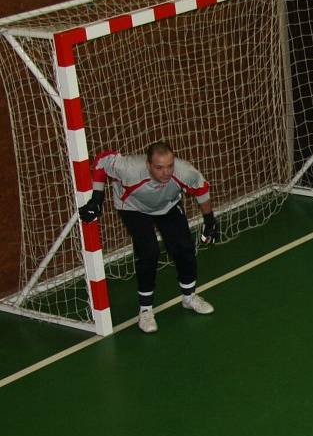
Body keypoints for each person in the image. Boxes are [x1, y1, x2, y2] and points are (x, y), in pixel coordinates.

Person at [79, 141, 218, 334]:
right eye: (159, 167)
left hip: (167, 205)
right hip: (133, 207)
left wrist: (210, 221)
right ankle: (145, 311)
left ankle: (189, 297)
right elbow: (102, 161)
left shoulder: (184, 171)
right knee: (148, 251)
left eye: (170, 166)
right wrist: (97, 199)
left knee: (184, 247)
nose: (166, 172)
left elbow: (201, 189)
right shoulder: (129, 169)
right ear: (148, 164)